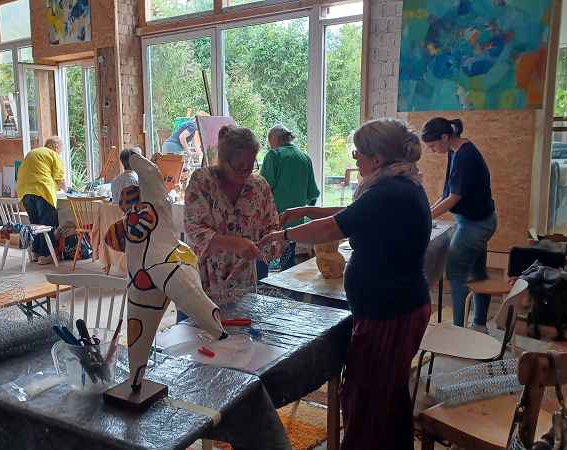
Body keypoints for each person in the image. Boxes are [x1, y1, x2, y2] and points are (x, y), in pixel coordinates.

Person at [260, 119, 431, 450]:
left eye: (357, 153)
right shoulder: (396, 185)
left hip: (391, 311)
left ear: (377, 158)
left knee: (365, 399)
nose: (355, 159)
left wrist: (283, 235)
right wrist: (307, 210)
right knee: (387, 396)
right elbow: (353, 212)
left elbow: (333, 227)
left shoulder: (389, 192)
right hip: (396, 305)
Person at [184, 125, 282, 305]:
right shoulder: (203, 181)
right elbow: (193, 228)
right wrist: (234, 243)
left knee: (241, 321)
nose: (246, 172)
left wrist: (274, 243)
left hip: (243, 282)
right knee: (201, 322)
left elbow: (271, 225)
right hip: (204, 280)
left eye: (251, 165)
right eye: (239, 167)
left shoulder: (259, 186)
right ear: (223, 160)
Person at [421, 117, 496, 330]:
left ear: (445, 137)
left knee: (455, 273)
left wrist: (424, 219)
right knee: (477, 273)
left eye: (433, 146)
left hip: (476, 224)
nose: (432, 150)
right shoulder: (455, 152)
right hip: (474, 220)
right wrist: (426, 213)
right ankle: (479, 324)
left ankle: (458, 331)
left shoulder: (465, 156)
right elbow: (446, 193)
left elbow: (454, 198)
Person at [259, 125, 319, 270]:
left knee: (263, 259)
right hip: (295, 223)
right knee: (288, 265)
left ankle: (262, 281)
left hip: (274, 221)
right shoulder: (304, 157)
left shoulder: (273, 155)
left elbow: (261, 189)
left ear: (274, 139)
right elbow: (313, 194)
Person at [16, 136, 66, 265]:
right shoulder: (53, 155)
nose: (60, 151)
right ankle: (46, 255)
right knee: (47, 224)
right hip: (42, 190)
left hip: (24, 191)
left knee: (35, 224)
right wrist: (68, 190)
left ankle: (36, 253)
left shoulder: (33, 152)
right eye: (60, 149)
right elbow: (59, 178)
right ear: (56, 147)